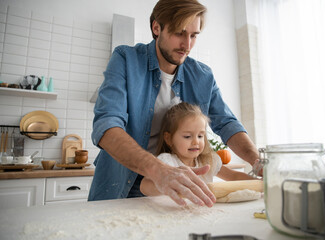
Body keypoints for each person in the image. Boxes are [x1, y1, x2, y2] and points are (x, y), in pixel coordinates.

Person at [88, 0, 260, 207]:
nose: (187, 45)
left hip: (172, 186)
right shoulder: (125, 59)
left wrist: (258, 162)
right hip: (119, 182)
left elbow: (227, 123)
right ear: (156, 28)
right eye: (179, 33)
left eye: (194, 35)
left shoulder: (203, 76)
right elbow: (106, 125)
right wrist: (159, 171)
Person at [140, 102, 256, 197]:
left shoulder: (208, 161)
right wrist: (164, 185)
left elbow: (234, 176)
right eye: (187, 136)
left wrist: (260, 183)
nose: (196, 142)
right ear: (169, 139)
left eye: (200, 136)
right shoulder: (167, 162)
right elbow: (144, 186)